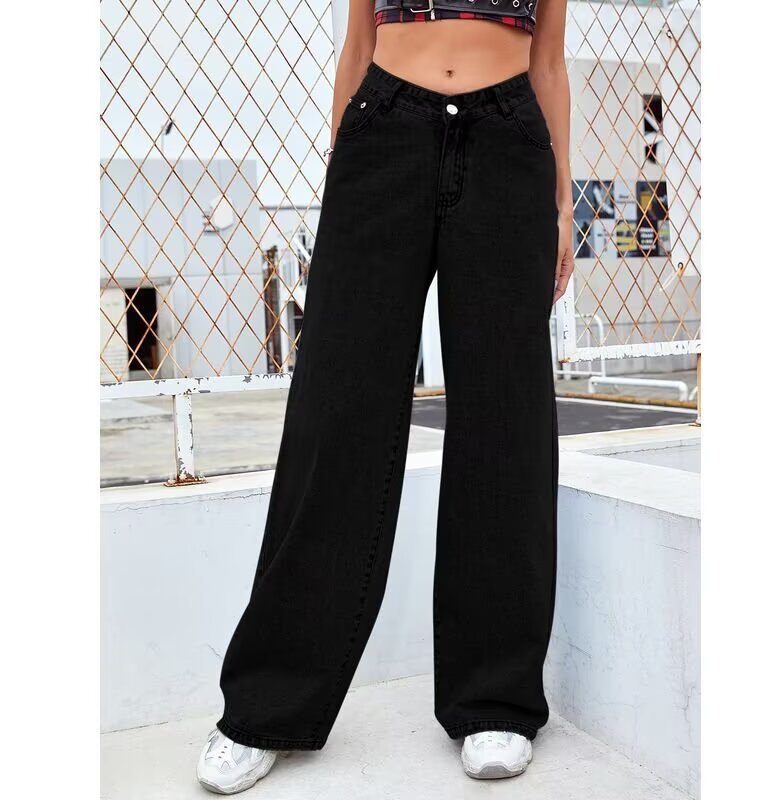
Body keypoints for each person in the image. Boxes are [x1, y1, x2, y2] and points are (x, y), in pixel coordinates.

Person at [197, 0, 574, 792]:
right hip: (386, 130)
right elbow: (358, 41)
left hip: (510, 141)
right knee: (337, 410)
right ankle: (266, 705)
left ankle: (495, 699)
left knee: (505, 418)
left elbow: (548, 59)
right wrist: (344, 173)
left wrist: (563, 198)